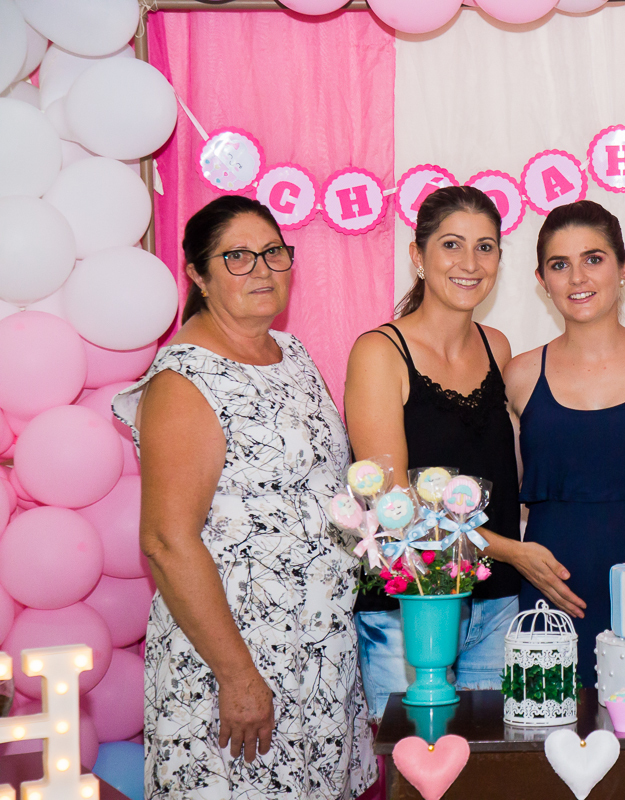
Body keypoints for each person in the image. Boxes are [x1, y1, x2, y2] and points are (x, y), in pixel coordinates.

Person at [113, 195, 375, 798]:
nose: (262, 269)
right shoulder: (185, 380)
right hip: (235, 660)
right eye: (237, 257)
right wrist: (237, 676)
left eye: (274, 253)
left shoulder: (294, 354)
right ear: (199, 276)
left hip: (315, 653)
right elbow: (165, 539)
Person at [503, 200, 625, 686]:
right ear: (541, 280)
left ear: (623, 267)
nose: (577, 278)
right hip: (551, 594)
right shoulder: (520, 375)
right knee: (550, 740)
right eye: (559, 265)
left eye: (593, 259)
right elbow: (507, 492)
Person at [344, 186, 520, 718]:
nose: (470, 263)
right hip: (409, 609)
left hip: (495, 605)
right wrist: (515, 551)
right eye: (452, 245)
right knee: (420, 772)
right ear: (418, 257)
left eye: (485, 247)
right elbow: (396, 508)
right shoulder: (380, 352)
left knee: (493, 774)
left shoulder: (499, 347)